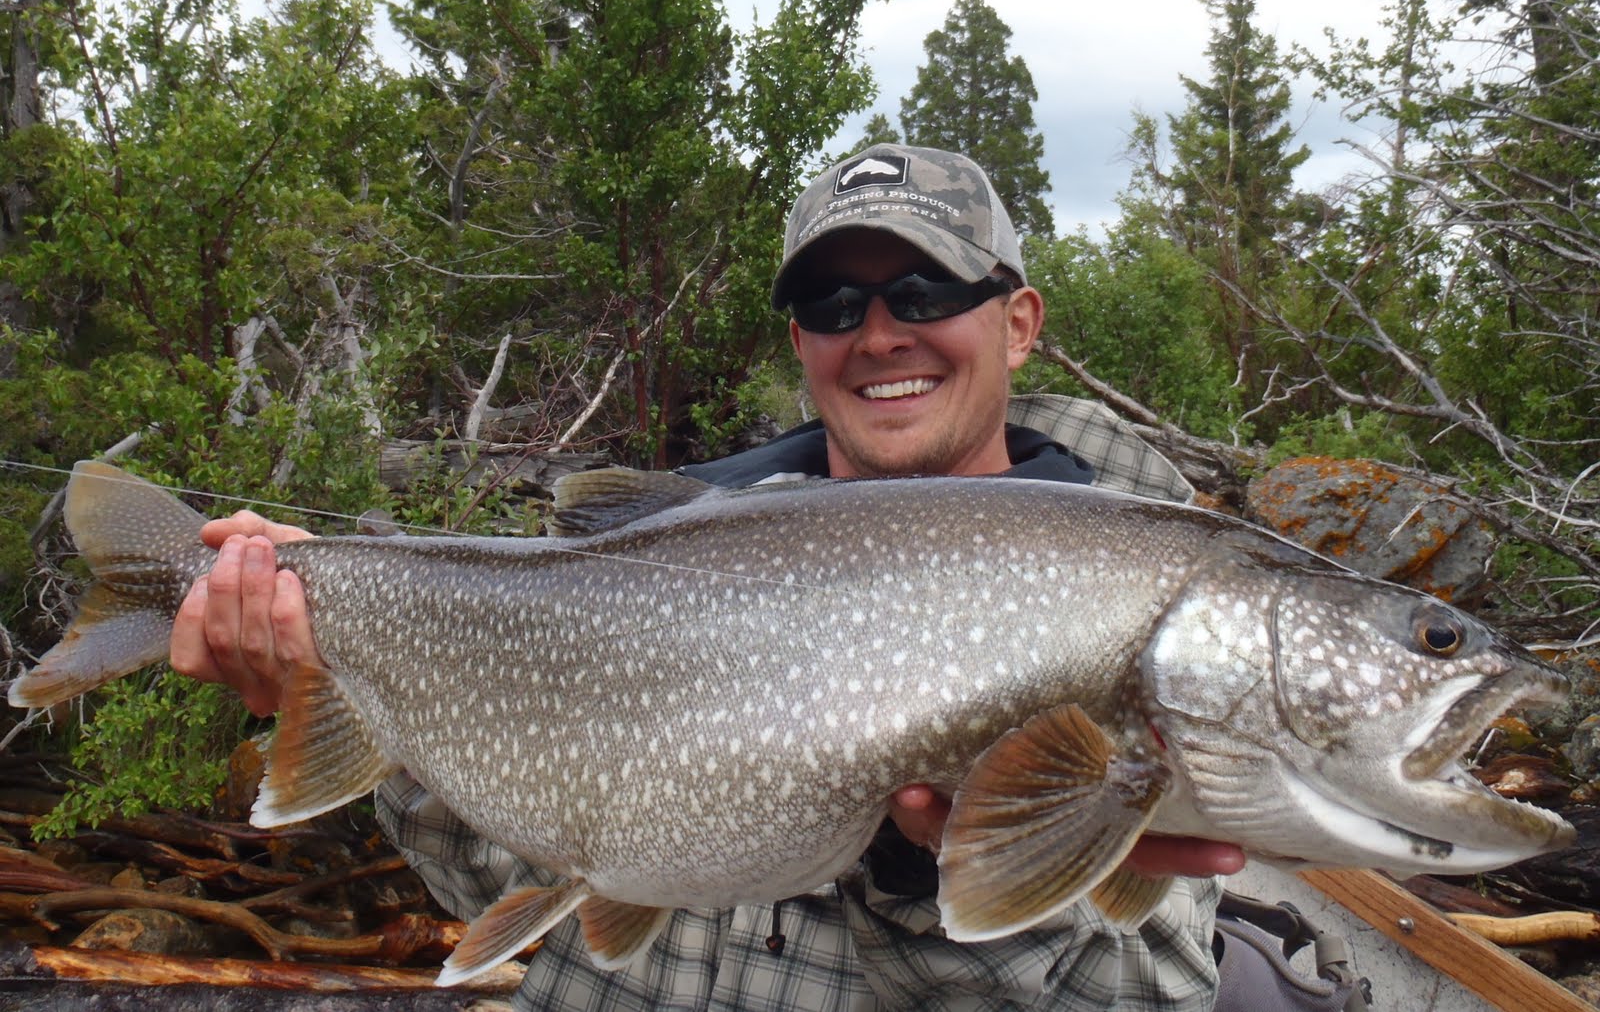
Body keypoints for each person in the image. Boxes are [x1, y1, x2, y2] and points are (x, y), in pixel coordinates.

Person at [172, 144, 1244, 1010]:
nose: (877, 332)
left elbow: (1141, 992)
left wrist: (925, 868)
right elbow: (504, 875)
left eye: (924, 288)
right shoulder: (667, 555)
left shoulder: (1142, 604)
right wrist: (345, 672)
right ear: (800, 341)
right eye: (833, 304)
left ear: (1018, 323)